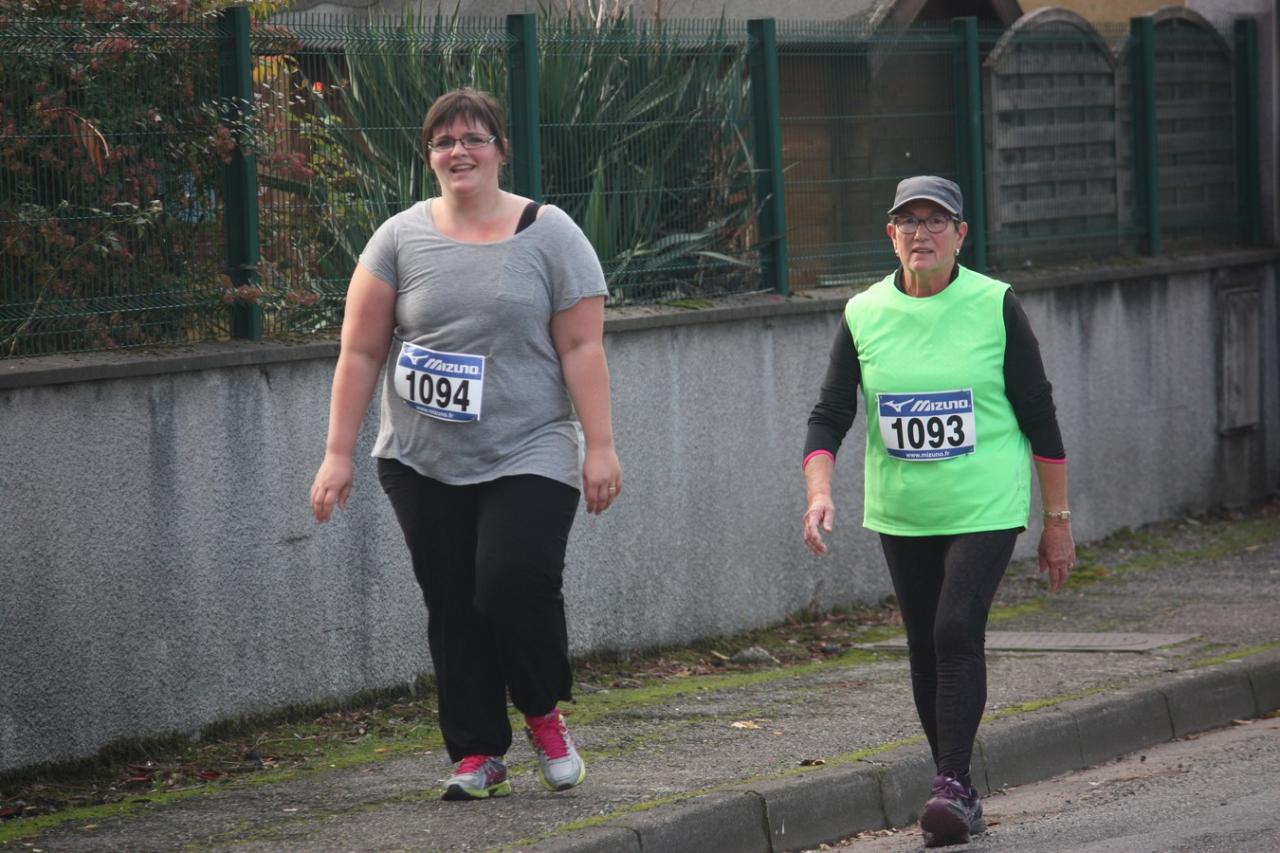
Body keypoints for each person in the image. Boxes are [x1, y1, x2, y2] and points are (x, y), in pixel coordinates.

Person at [309, 87, 622, 802]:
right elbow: (360, 352)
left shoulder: (551, 234)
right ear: (429, 155)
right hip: (420, 458)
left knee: (512, 583)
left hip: (531, 447)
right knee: (452, 603)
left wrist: (600, 445)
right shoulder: (398, 238)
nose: (460, 152)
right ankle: (478, 752)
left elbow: (582, 347)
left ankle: (542, 711)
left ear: (500, 149)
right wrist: (338, 453)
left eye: (474, 138)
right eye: (445, 141)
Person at [801, 176, 1075, 847]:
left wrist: (1057, 519)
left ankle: (950, 783)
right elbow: (830, 412)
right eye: (909, 221)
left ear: (960, 235)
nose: (921, 233)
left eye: (936, 221)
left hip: (985, 504)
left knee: (955, 630)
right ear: (890, 235)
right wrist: (819, 491)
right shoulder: (864, 312)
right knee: (925, 645)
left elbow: (1039, 414)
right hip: (904, 511)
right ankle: (957, 788)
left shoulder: (995, 304)